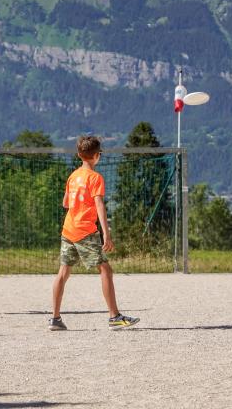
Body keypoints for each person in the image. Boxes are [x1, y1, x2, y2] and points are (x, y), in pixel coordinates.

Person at [49, 135, 139, 330]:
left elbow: (66, 203)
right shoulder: (95, 178)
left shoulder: (73, 176)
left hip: (68, 229)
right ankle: (114, 316)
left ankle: (55, 319)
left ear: (80, 155)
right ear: (97, 156)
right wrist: (107, 234)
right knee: (105, 269)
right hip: (84, 231)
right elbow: (99, 205)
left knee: (63, 272)